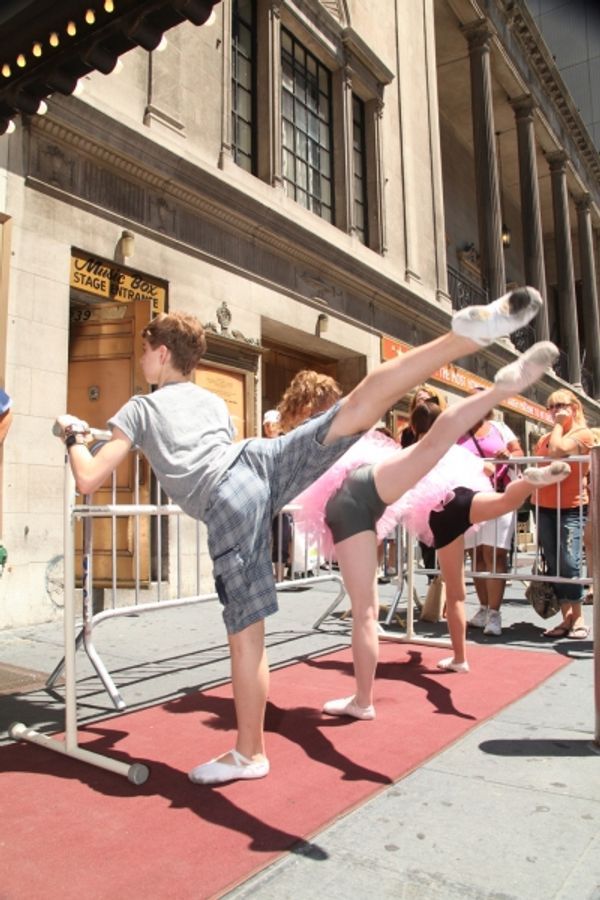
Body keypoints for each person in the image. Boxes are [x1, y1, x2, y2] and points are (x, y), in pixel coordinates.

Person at [54, 286, 543, 784]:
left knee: (246, 637)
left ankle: (250, 753)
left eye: (142, 352)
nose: (140, 361)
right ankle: (457, 340)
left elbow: (89, 477)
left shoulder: (140, 408)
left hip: (227, 495)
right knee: (352, 408)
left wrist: (73, 436)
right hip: (258, 464)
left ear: (161, 354)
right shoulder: (208, 402)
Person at [286, 341, 564, 719]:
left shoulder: (300, 435)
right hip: (375, 483)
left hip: (346, 506)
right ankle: (502, 391)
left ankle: (363, 701)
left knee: (365, 611)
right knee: (439, 440)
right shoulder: (345, 416)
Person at [533, 389, 595, 640]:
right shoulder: (546, 436)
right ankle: (566, 618)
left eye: (561, 405)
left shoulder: (582, 433)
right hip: (544, 506)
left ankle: (578, 618)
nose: (556, 410)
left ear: (575, 407)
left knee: (569, 563)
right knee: (554, 564)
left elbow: (558, 451)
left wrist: (559, 425)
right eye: (552, 406)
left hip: (571, 507)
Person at [460, 404, 524, 636]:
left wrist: (508, 455)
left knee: (494, 552)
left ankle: (495, 614)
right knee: (476, 554)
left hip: (499, 494)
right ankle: (484, 609)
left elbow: (519, 453)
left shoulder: (499, 428)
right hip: (469, 498)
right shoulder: (456, 430)